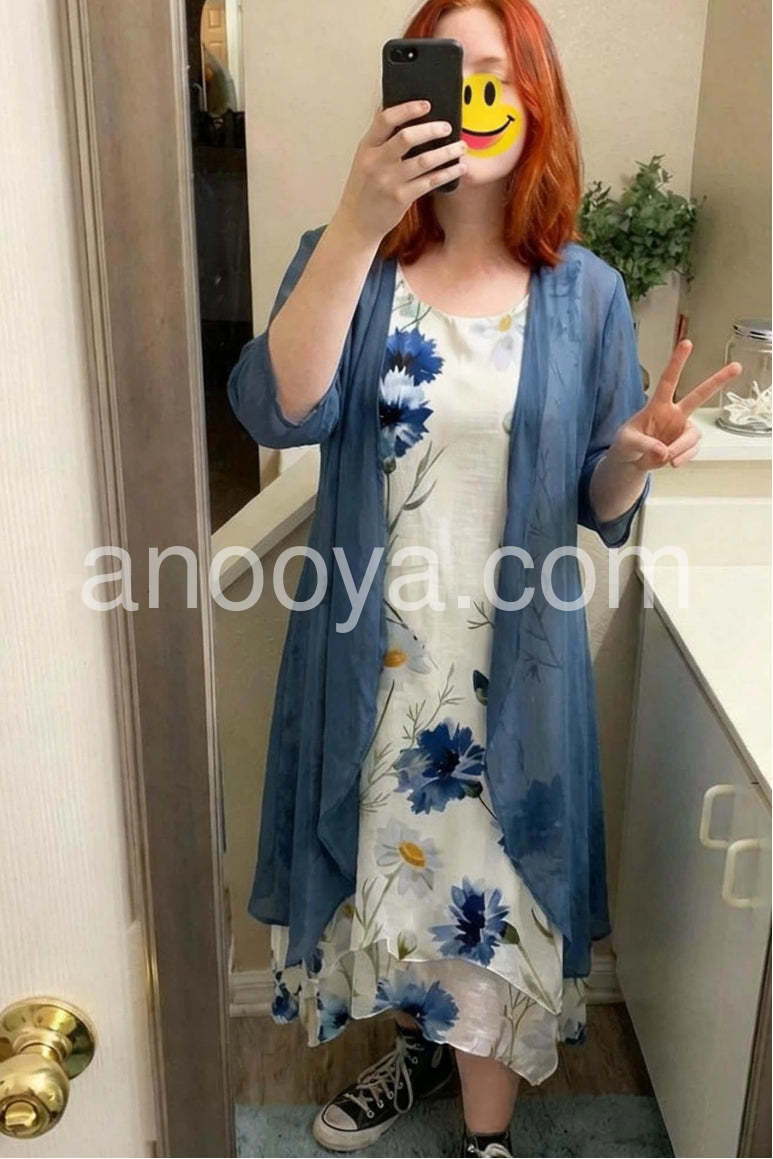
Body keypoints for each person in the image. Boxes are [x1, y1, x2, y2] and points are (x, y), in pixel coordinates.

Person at [226, 2, 741, 1156]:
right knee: (396, 889)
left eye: (496, 75)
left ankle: (486, 1138)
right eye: (445, 72)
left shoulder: (584, 292)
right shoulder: (347, 262)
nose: (471, 98)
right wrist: (358, 220)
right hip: (370, 671)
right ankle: (420, 1051)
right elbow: (276, 408)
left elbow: (597, 505)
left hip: (511, 679)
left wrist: (631, 452)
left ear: (534, 98)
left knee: (491, 907)